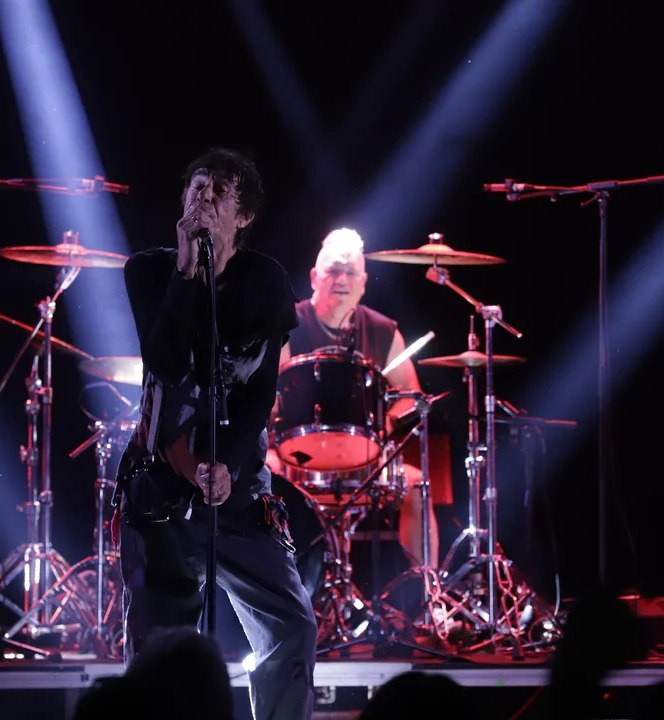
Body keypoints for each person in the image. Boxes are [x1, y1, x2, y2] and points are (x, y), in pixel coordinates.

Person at [113, 148, 317, 720]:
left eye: (219, 191)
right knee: (159, 653)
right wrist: (185, 272)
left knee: (293, 626)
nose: (203, 197)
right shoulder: (147, 271)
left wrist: (225, 462)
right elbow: (163, 361)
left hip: (239, 489)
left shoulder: (266, 281)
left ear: (243, 215)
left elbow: (260, 390)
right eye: (196, 186)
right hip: (161, 486)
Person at [266, 228, 439, 567]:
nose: (341, 280)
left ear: (363, 283)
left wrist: (387, 420)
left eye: (350, 273)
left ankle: (424, 588)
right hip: (294, 459)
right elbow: (266, 396)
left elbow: (410, 395)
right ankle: (277, 583)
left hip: (364, 461)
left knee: (418, 486)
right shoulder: (288, 324)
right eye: (333, 271)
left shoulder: (384, 331)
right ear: (314, 278)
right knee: (261, 479)